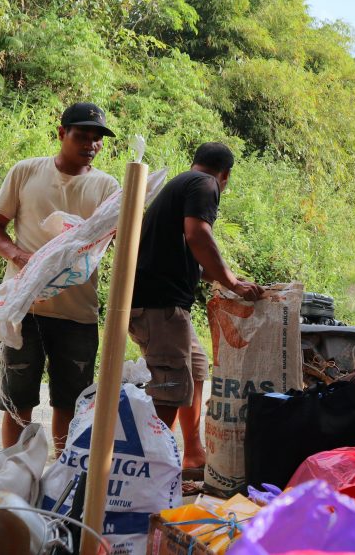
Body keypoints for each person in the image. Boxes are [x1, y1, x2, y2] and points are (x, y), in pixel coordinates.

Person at [0, 102, 120, 455]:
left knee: (70, 402)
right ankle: (14, 471)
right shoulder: (26, 172)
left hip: (78, 314)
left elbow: (119, 238)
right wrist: (18, 256)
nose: (90, 144)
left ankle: (61, 471)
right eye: (81, 135)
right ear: (61, 133)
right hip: (23, 310)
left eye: (97, 139)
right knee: (18, 400)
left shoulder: (108, 187)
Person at [129, 142, 264, 480]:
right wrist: (233, 283)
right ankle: (151, 470)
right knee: (171, 385)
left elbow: (192, 256)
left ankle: (193, 453)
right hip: (160, 306)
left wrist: (226, 277)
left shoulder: (183, 184)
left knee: (196, 368)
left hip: (167, 306)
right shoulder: (205, 185)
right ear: (225, 175)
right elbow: (198, 235)